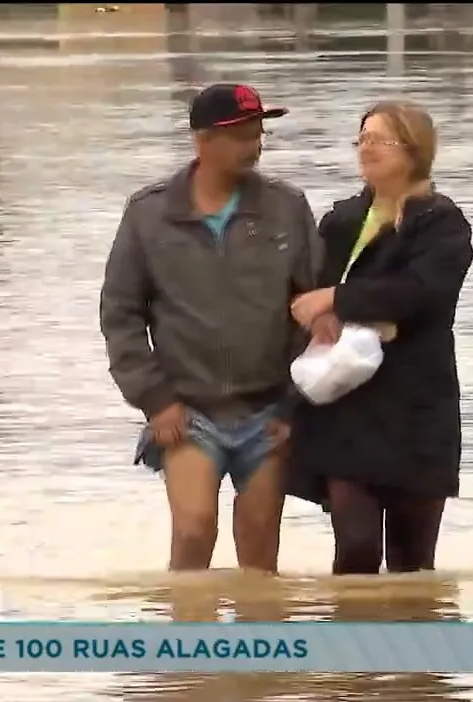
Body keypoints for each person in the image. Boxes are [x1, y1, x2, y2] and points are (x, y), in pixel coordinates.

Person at [99, 84, 323, 574]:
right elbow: (120, 314)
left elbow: (312, 310)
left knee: (261, 550)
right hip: (187, 410)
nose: (255, 144)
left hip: (267, 409)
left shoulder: (287, 207)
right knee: (195, 528)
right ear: (203, 141)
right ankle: (186, 647)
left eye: (258, 132)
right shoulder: (149, 213)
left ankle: (255, 646)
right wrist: (155, 399)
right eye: (241, 134)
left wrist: (292, 402)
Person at [286, 101, 473, 575]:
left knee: (413, 562)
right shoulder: (341, 221)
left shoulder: (442, 223)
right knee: (357, 546)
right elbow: (302, 290)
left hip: (417, 407)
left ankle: (412, 646)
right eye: (362, 139)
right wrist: (316, 313)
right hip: (348, 403)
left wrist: (338, 299)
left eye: (380, 140)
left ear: (414, 150)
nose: (366, 149)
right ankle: (350, 646)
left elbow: (419, 292)